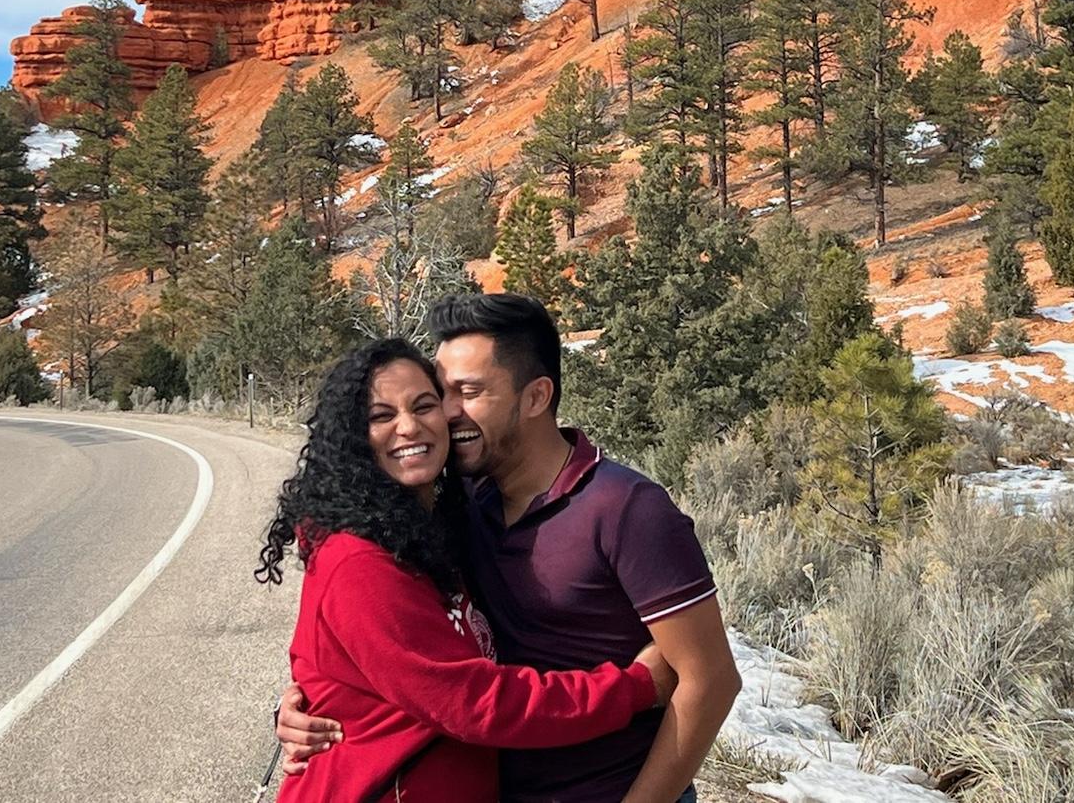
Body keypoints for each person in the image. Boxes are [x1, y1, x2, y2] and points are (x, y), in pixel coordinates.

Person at [276, 294, 740, 803]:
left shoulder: (626, 508)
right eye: (443, 392)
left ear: (536, 396)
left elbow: (711, 680)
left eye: (467, 392)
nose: (447, 414)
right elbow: (400, 652)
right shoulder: (460, 506)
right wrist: (313, 703)